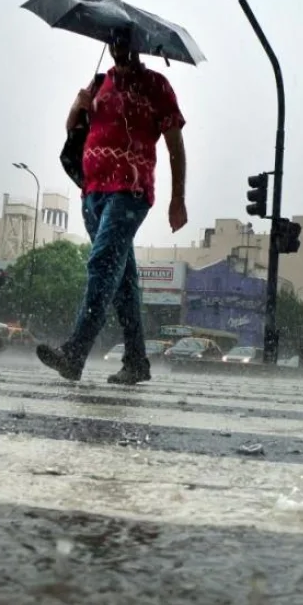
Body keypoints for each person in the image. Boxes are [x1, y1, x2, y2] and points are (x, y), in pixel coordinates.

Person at [37, 26, 187, 385]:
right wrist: (77, 106)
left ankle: (75, 352)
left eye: (126, 43)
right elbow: (74, 129)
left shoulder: (157, 86)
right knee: (122, 281)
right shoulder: (98, 82)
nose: (119, 48)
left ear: (139, 48)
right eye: (114, 42)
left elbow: (175, 144)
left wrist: (177, 196)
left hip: (130, 190)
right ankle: (137, 361)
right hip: (93, 193)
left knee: (104, 262)